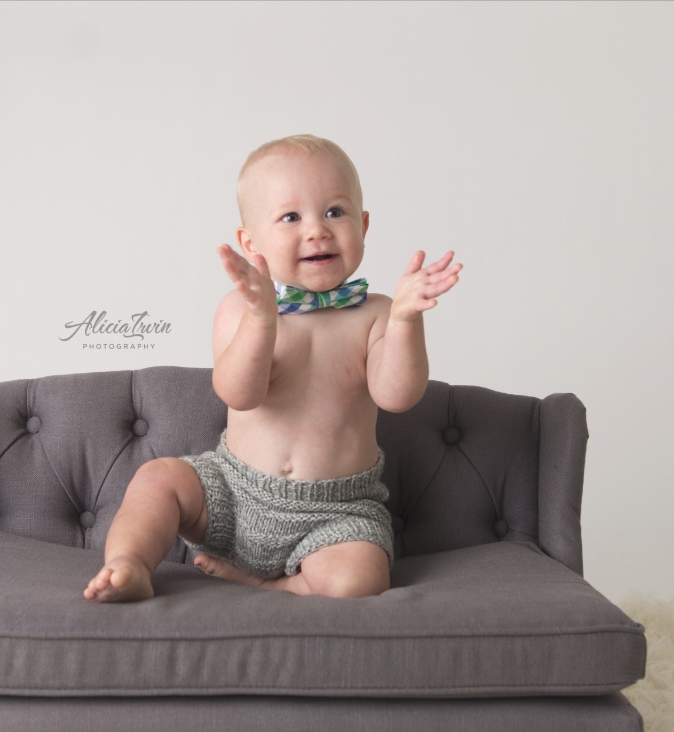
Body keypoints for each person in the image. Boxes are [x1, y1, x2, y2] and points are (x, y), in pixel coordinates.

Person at [84, 134, 461, 602]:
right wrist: (262, 319)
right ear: (251, 242)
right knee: (158, 479)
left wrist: (406, 319)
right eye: (290, 217)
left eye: (335, 212)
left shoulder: (376, 313)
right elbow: (238, 392)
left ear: (363, 226)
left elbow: (397, 395)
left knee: (359, 580)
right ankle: (130, 563)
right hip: (231, 492)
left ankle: (279, 585)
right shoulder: (241, 309)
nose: (317, 230)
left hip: (337, 511)